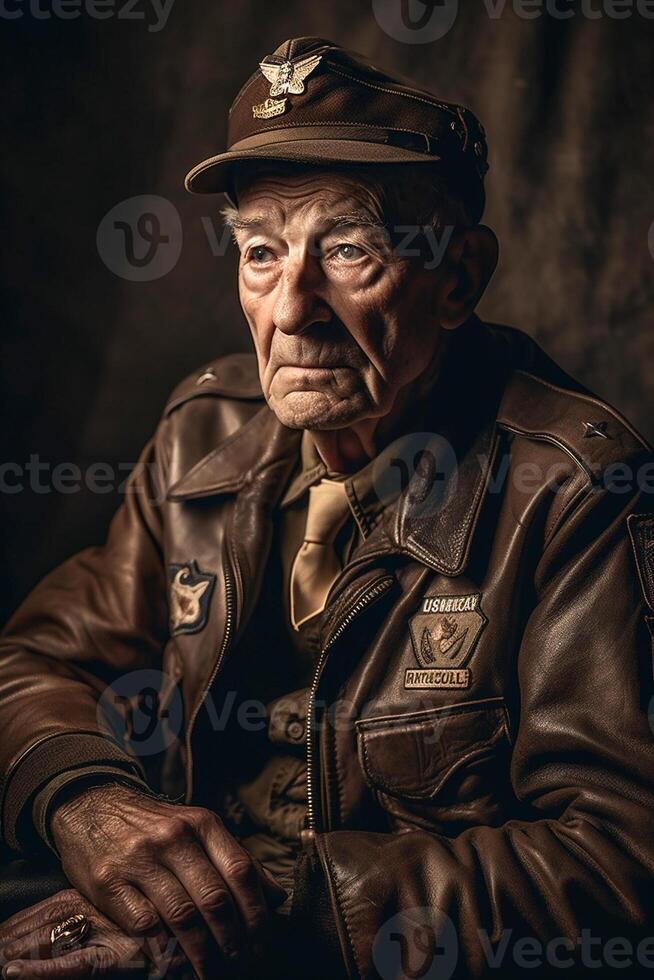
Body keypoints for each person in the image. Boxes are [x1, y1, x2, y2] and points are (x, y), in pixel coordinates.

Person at [1, 35, 654, 980]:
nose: (292, 309)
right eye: (261, 253)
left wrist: (263, 914)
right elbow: (31, 661)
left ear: (458, 278)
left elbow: (619, 860)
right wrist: (88, 804)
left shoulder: (574, 493)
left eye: (348, 248)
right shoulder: (200, 439)